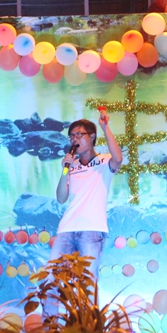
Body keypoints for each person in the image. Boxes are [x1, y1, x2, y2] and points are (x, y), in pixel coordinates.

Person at [43, 110, 123, 317]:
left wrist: (106, 128)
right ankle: (49, 329)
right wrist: (65, 170)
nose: (74, 139)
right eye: (71, 136)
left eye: (79, 134)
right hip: (66, 229)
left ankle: (87, 330)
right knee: (52, 279)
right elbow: (61, 198)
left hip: (92, 229)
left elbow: (118, 158)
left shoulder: (104, 162)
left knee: (87, 283)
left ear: (92, 136)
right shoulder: (72, 165)